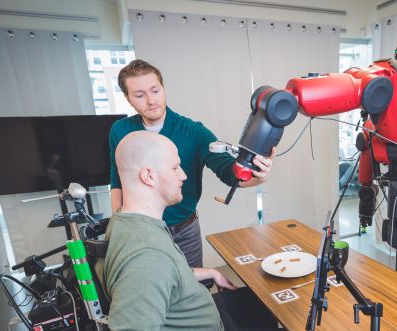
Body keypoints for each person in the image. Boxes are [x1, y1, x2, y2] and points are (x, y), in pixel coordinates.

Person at [99, 131, 338, 331]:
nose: (184, 175)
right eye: (175, 167)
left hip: (202, 322)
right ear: (149, 176)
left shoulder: (129, 222)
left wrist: (205, 272)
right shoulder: (146, 258)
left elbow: (164, 276)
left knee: (269, 305)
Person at [109, 59, 275, 267]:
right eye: (140, 95)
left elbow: (229, 173)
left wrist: (259, 176)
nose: (151, 100)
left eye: (155, 90)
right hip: (139, 231)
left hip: (183, 231)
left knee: (195, 289)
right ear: (128, 98)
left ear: (163, 88)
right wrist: (117, 229)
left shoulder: (194, 131)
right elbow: (117, 181)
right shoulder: (120, 131)